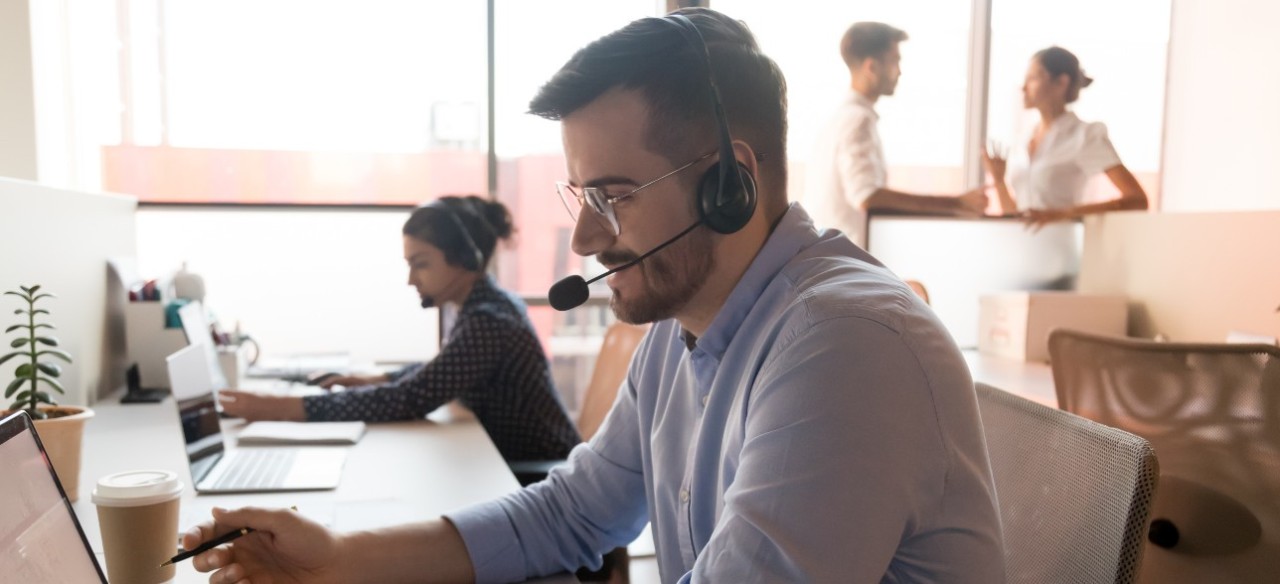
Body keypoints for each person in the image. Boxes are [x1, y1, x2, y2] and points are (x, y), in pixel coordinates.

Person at [183, 9, 1005, 583]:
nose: (584, 240)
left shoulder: (843, 344)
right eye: (583, 198)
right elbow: (571, 515)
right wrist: (341, 559)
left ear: (730, 185)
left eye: (614, 194)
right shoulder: (682, 334)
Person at [216, 195, 581, 465]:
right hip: (510, 462)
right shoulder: (476, 306)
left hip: (541, 475)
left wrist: (282, 408)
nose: (411, 279)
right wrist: (375, 377)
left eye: (420, 264)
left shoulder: (488, 320)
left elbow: (412, 398)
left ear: (464, 259)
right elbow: (443, 368)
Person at [803, 21, 988, 248]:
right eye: (895, 61)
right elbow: (867, 196)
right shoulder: (857, 120)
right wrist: (956, 203)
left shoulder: (839, 119)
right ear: (871, 67)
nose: (900, 71)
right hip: (846, 261)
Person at [982, 46, 1148, 230]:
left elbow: (1137, 200)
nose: (1023, 87)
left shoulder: (1085, 136)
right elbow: (1017, 216)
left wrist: (1062, 214)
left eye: (1033, 78)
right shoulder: (1023, 140)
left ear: (1061, 82)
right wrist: (999, 181)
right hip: (1020, 250)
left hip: (1062, 251)